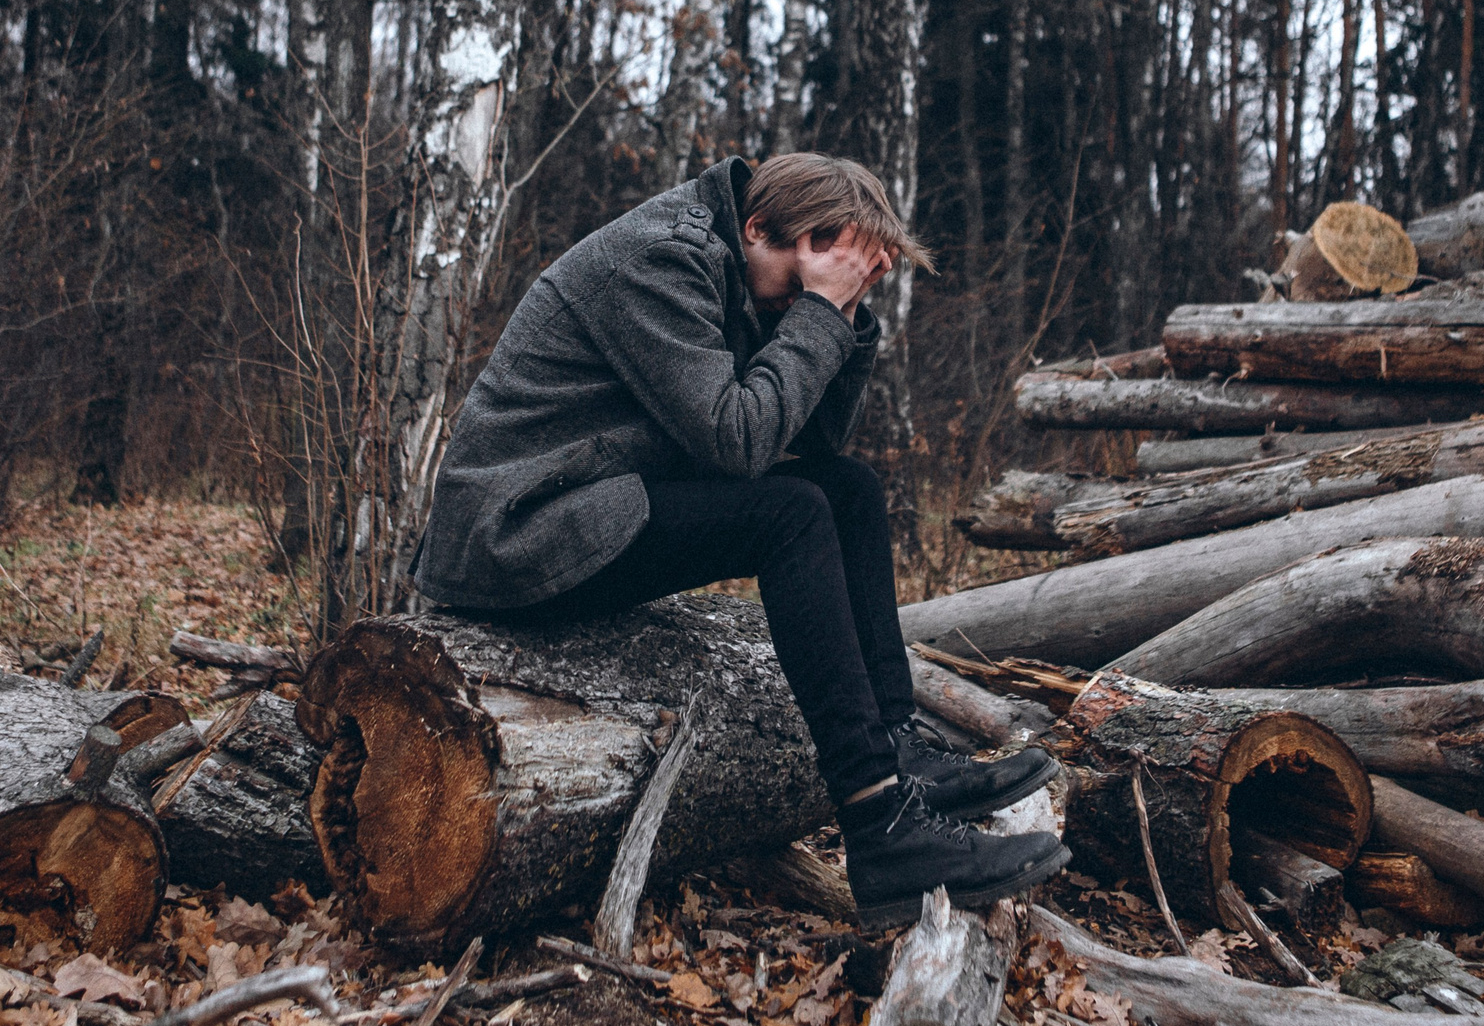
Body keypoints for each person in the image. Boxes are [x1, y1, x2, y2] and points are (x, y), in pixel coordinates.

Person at [414, 152, 1066, 927]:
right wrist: (817, 311)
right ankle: (879, 823)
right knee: (788, 514)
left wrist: (843, 316)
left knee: (847, 490)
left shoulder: (738, 262)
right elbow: (739, 441)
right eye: (795, 286)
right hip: (515, 533)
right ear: (756, 226)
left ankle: (897, 751)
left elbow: (818, 440)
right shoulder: (661, 260)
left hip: (592, 503)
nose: (796, 303)